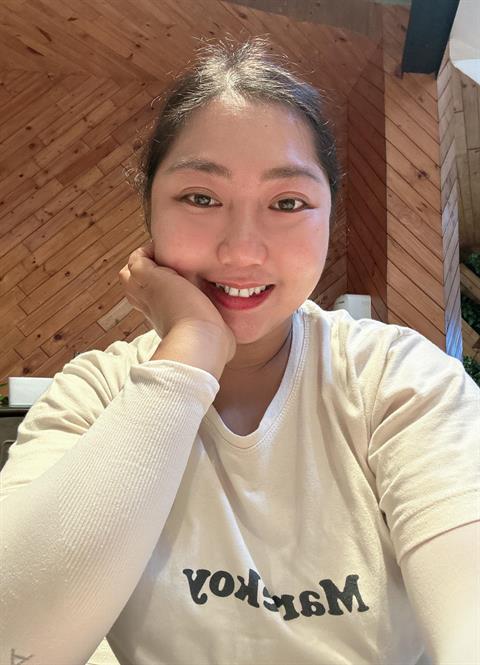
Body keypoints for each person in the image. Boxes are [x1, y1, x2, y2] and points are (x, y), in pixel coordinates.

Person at [0, 36, 479, 665]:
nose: (242, 251)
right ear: (150, 212)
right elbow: (17, 642)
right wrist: (192, 349)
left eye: (288, 203)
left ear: (328, 217)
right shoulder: (94, 393)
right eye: (201, 198)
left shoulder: (399, 379)